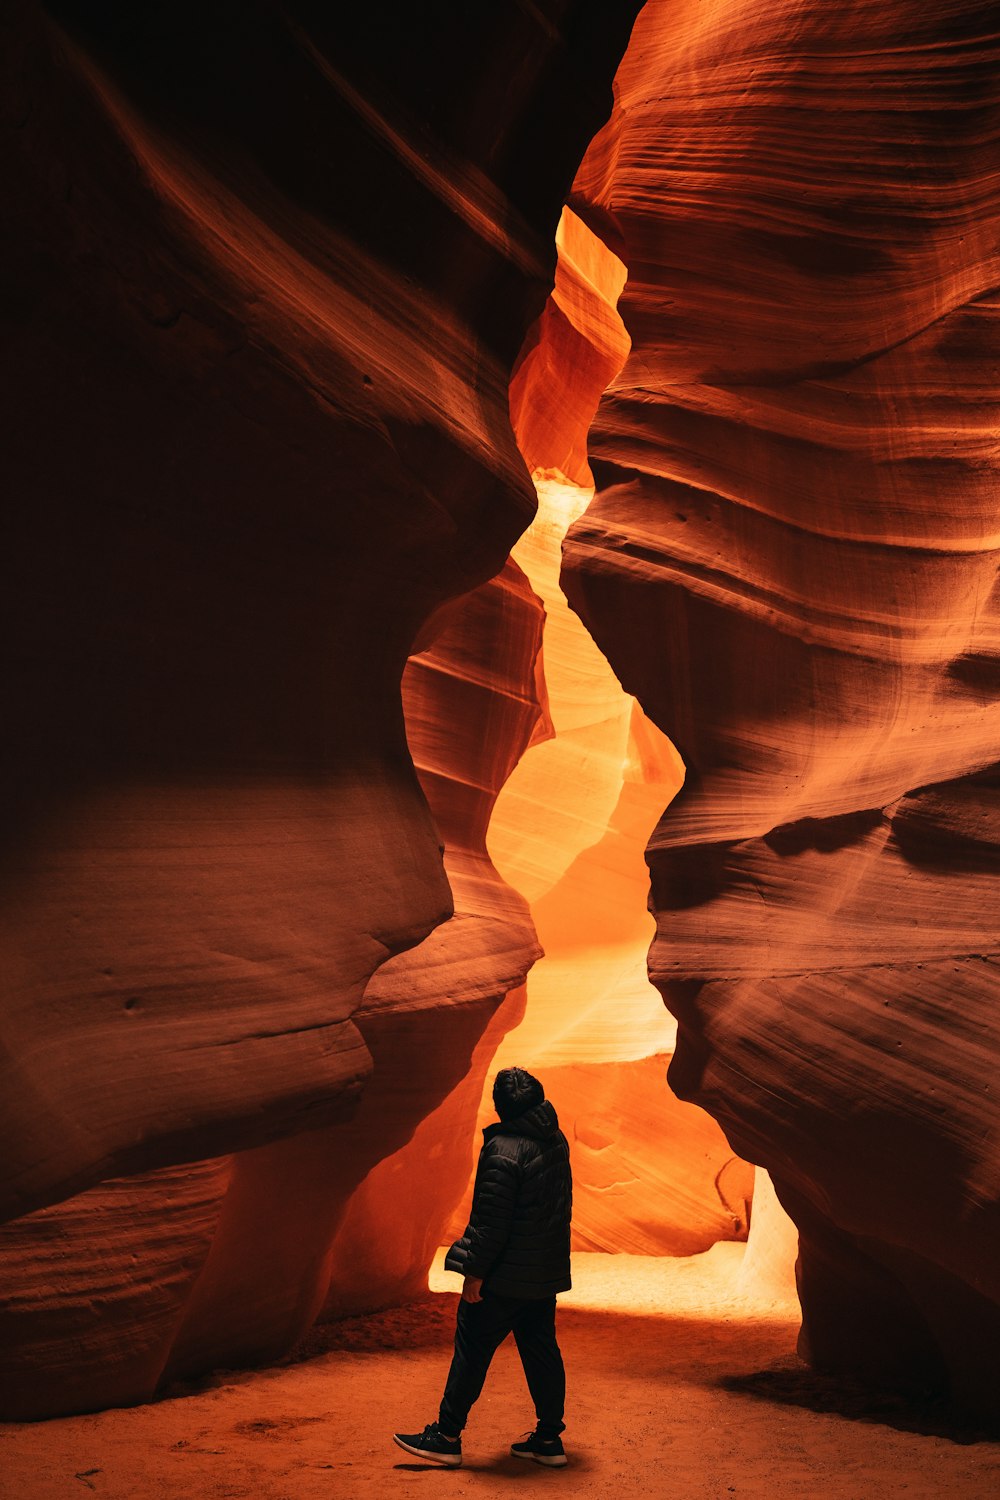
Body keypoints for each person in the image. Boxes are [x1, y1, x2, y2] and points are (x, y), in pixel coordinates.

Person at [393, 1066, 572, 1468]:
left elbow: (492, 1222)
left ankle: (446, 1436)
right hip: (541, 1274)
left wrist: (475, 1272)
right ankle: (548, 1440)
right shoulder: (554, 1139)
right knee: (542, 1351)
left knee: (472, 1351)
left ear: (500, 1106)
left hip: (504, 1278)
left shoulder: (503, 1149)